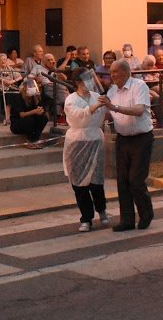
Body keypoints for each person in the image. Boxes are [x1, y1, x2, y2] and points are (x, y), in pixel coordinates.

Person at [98, 59, 155, 232]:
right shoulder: (112, 90)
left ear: (125, 72)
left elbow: (138, 110)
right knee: (122, 181)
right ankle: (127, 220)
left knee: (136, 180)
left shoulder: (139, 86)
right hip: (122, 139)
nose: (112, 75)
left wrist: (114, 107)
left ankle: (146, 213)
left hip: (141, 138)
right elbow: (108, 113)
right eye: (111, 72)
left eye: (115, 72)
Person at [64, 68, 109, 231]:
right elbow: (76, 116)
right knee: (79, 183)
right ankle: (86, 218)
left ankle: (102, 210)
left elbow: (106, 113)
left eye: (91, 79)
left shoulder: (97, 96)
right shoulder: (71, 99)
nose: (90, 82)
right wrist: (93, 107)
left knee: (96, 181)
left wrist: (105, 104)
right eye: (86, 79)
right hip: (77, 142)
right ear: (78, 82)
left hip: (95, 139)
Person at [7, 78, 48, 148]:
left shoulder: (35, 97)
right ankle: (30, 141)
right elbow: (22, 114)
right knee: (29, 119)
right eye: (30, 87)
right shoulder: (19, 97)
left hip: (31, 122)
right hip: (18, 123)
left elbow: (40, 109)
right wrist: (34, 111)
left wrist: (40, 111)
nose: (32, 88)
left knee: (44, 118)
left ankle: (36, 139)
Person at [139, 55, 163, 128]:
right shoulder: (138, 69)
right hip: (143, 88)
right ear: (143, 63)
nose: (150, 67)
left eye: (152, 65)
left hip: (153, 86)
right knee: (157, 98)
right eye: (148, 65)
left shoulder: (154, 69)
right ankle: (160, 120)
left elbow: (159, 82)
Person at [0, 53, 23, 125]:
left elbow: (20, 76)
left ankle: (18, 116)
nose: (3, 61)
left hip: (11, 87)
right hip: (1, 89)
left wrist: (12, 81)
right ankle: (7, 118)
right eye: (1, 60)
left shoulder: (9, 68)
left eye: (4, 60)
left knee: (20, 94)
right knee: (8, 94)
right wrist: (0, 79)